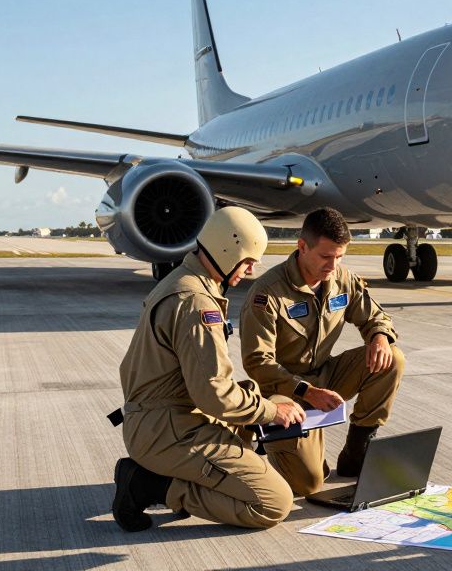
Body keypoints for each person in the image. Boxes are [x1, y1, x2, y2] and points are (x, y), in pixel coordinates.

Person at [111, 206, 307, 532]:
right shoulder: (196, 302)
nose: (251, 270)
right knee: (273, 502)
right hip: (169, 433)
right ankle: (150, 485)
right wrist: (273, 412)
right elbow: (214, 394)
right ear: (227, 249)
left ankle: (188, 475)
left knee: (256, 395)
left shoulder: (185, 282)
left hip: (160, 420)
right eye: (247, 261)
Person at [239, 207, 404, 496]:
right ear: (302, 247)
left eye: (340, 257)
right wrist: (307, 391)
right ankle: (265, 437)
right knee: (309, 485)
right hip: (283, 390)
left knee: (392, 359)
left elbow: (374, 316)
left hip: (324, 376)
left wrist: (379, 336)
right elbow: (257, 362)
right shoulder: (268, 292)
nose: (333, 265)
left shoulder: (341, 278)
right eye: (326, 256)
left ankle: (357, 453)